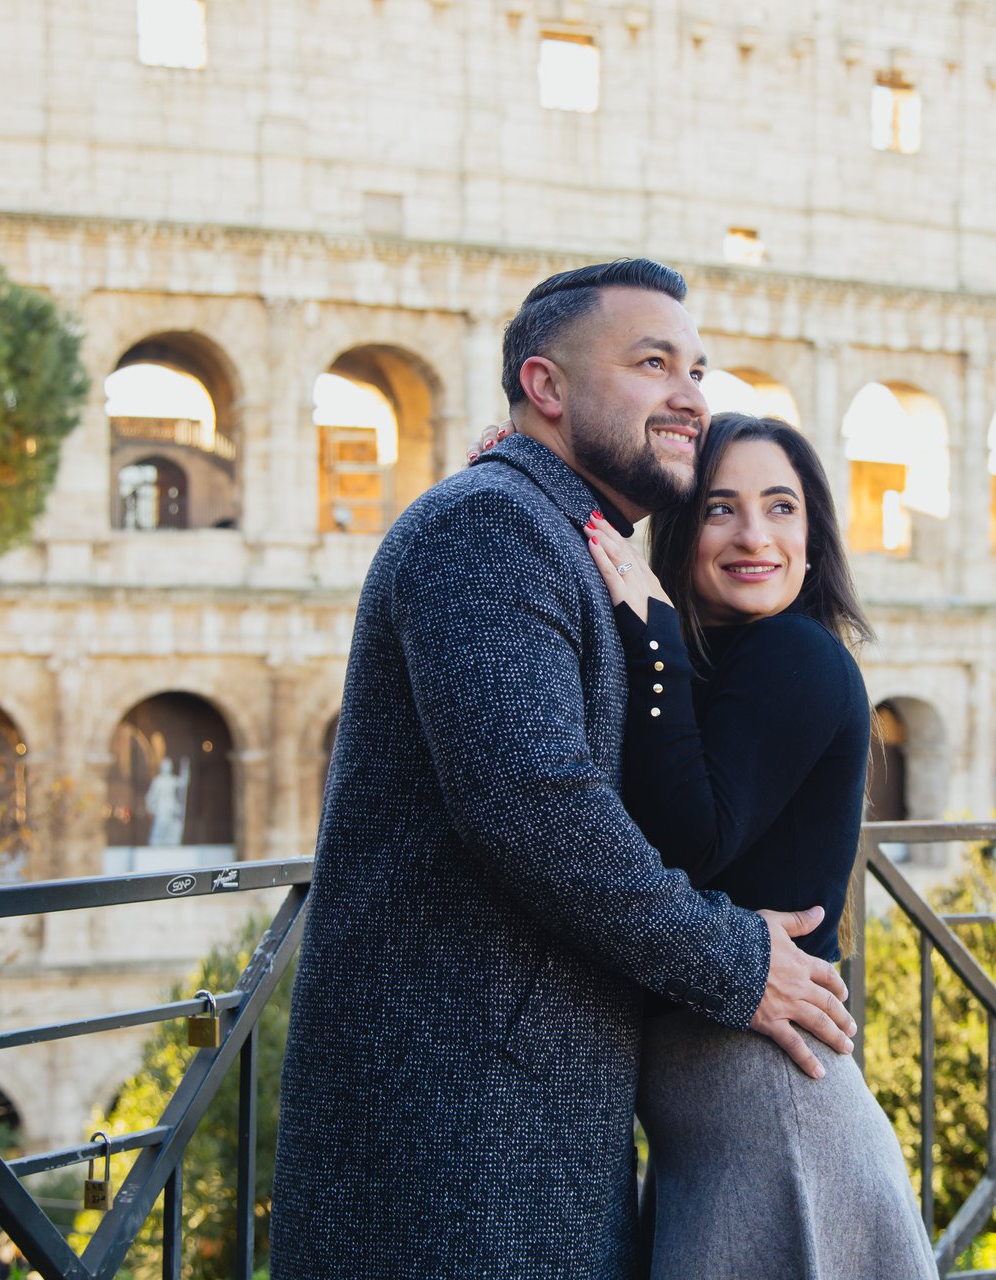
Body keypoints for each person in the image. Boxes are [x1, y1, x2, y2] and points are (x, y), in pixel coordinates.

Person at [273, 260, 857, 1279]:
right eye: (652, 363)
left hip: (521, 1106)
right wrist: (734, 957)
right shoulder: (493, 525)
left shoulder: (544, 527)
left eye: (696, 369)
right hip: (465, 1119)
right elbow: (535, 803)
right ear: (545, 386)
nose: (690, 396)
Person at [574, 412, 938, 1278]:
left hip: (769, 1101)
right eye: (720, 509)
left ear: (814, 537)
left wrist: (654, 638)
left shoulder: (793, 653)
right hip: (727, 1110)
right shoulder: (727, 659)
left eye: (781, 508)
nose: (754, 537)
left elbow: (689, 843)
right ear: (681, 529)